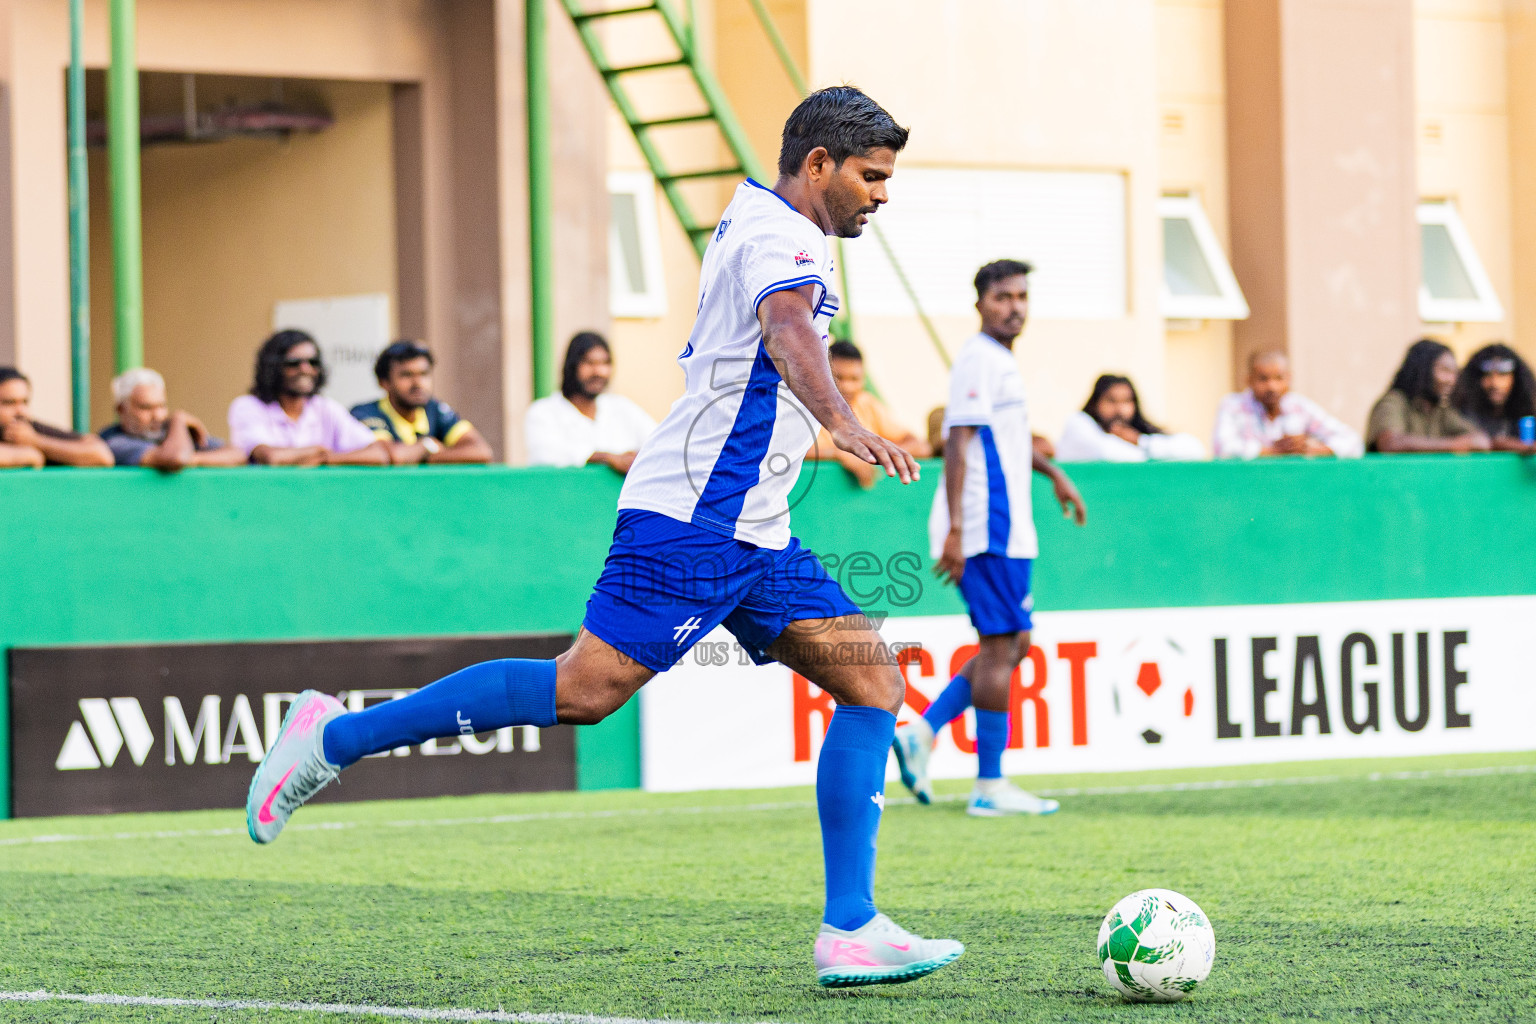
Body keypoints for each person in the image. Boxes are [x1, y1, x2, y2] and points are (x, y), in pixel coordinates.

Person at [246, 86, 965, 988]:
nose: (883, 195)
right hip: (696, 517)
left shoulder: (772, 225)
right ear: (818, 165)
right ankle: (332, 738)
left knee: (872, 680)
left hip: (755, 526)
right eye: (872, 175)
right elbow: (787, 334)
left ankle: (852, 926)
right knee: (583, 689)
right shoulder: (783, 238)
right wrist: (844, 417)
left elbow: (780, 339)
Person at [890, 259, 1086, 818]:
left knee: (1013, 644)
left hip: (1006, 526)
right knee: (1003, 647)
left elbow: (1009, 438)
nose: (1014, 306)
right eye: (1002, 297)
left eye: (1021, 295)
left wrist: (1055, 475)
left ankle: (922, 734)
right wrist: (955, 528)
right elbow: (957, 440)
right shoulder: (978, 359)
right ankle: (989, 786)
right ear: (980, 304)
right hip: (985, 526)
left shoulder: (999, 361)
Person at [228, 330, 389, 466]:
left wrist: (328, 458)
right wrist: (318, 449)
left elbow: (379, 454)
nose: (305, 369)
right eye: (294, 363)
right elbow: (272, 457)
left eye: (312, 362)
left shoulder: (325, 408)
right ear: (273, 368)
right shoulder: (249, 406)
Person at [524, 332, 657, 475]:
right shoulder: (543, 412)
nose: (598, 371)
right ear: (572, 366)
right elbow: (548, 454)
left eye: (605, 363)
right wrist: (608, 458)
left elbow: (659, 440)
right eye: (589, 363)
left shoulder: (622, 407)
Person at [807, 340, 929, 487]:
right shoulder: (806, 405)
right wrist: (838, 454)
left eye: (854, 379)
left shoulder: (867, 404)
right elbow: (786, 452)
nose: (848, 387)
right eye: (839, 378)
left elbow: (920, 446)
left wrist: (874, 455)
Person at [351, 341, 493, 465]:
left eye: (424, 374)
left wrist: (429, 456)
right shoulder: (366, 412)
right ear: (384, 383)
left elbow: (481, 451)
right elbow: (392, 456)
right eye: (406, 375)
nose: (418, 383)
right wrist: (428, 445)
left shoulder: (435, 409)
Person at [1212, 352, 1363, 459]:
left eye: (1279, 378)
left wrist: (1311, 449)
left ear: (1289, 379)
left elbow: (1353, 441)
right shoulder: (1233, 405)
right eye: (1263, 379)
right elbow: (1223, 449)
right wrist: (1272, 452)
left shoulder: (1299, 406)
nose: (1272, 386)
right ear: (1249, 380)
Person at [100, 368, 246, 470]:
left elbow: (237, 454)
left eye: (162, 406)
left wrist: (194, 459)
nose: (157, 416)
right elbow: (176, 458)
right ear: (121, 409)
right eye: (146, 408)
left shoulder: (170, 433)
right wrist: (178, 419)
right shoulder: (114, 441)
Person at [1366, 339, 1489, 453]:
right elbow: (1390, 443)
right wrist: (1455, 444)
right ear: (1422, 370)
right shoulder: (1393, 402)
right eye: (1445, 370)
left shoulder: (1440, 411)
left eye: (1454, 373)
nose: (1451, 380)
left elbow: (1479, 439)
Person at [1056, 375, 1205, 462]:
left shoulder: (1140, 438)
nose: (1120, 409)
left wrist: (1140, 441)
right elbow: (1105, 453)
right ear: (1095, 404)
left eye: (1127, 401)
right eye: (1111, 401)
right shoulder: (1079, 423)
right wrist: (1152, 451)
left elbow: (1195, 449)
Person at [0, 367, 113, 468]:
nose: (21, 411)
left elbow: (102, 455)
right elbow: (30, 457)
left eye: (25, 402)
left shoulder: (30, 430)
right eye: (9, 403)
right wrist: (25, 456)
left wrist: (36, 441)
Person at [1451, 343, 1536, 452]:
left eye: (1503, 374)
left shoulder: (1527, 415)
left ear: (1516, 379)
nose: (1495, 384)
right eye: (1487, 375)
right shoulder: (1461, 414)